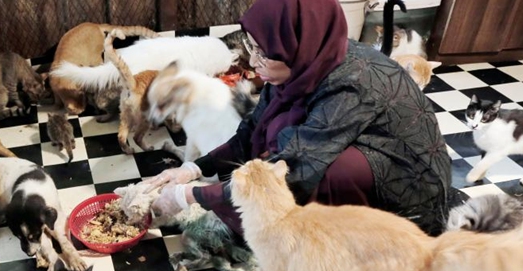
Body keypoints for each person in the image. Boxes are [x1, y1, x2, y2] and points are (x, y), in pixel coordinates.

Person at [147, 0, 452, 237]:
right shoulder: (309, 59)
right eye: (251, 47)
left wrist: (189, 196)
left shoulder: (351, 85)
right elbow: (252, 128)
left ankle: (327, 236)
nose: (253, 63)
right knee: (275, 126)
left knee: (331, 171)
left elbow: (293, 172)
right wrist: (193, 169)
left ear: (295, 47)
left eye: (263, 53)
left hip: (407, 186)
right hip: (361, 143)